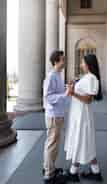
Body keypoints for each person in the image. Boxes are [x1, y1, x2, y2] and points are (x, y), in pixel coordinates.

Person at [64, 54, 103, 182]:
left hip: (82, 116)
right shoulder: (87, 77)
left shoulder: (91, 78)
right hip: (79, 114)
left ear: (88, 64)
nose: (81, 65)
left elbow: (88, 99)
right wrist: (73, 85)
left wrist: (72, 92)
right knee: (85, 143)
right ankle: (96, 172)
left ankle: (73, 173)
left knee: (80, 142)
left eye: (82, 63)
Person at [43, 50, 70, 184]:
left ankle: (49, 168)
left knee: (53, 144)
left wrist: (67, 89)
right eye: (62, 59)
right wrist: (65, 94)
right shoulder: (51, 76)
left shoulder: (58, 75)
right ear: (56, 62)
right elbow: (48, 96)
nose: (64, 62)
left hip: (58, 114)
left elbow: (58, 93)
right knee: (52, 144)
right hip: (53, 115)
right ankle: (49, 175)